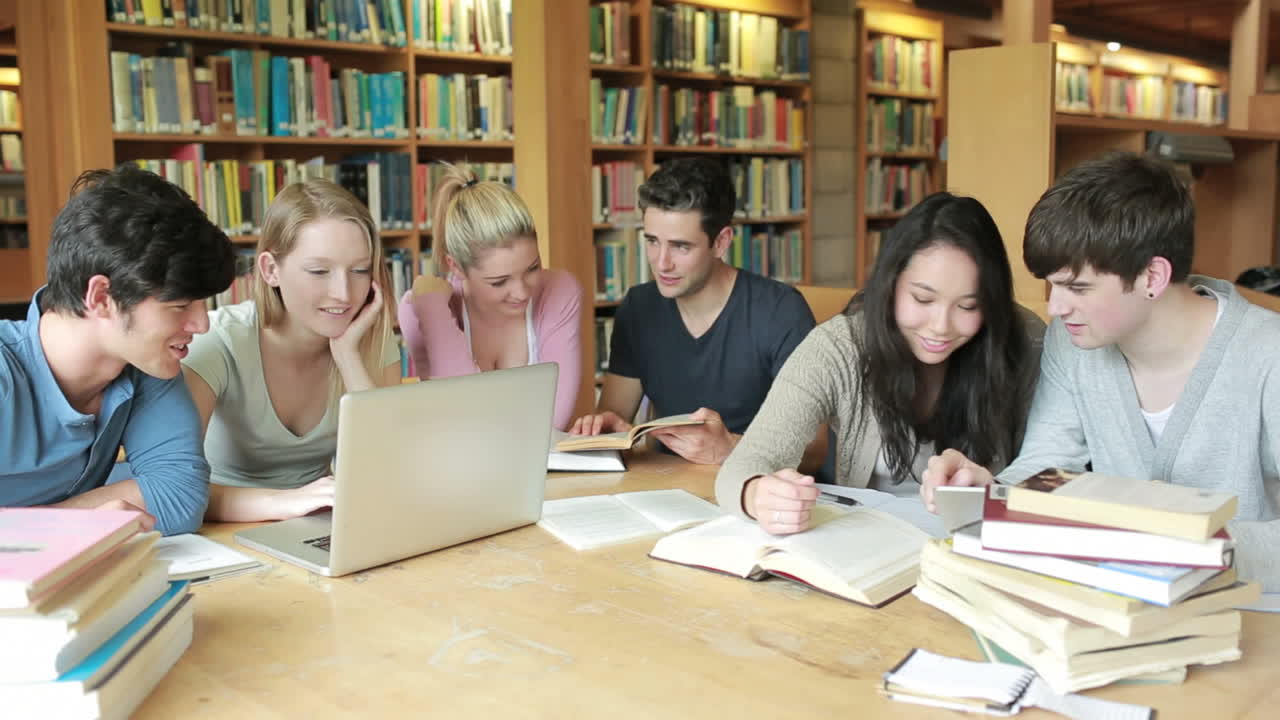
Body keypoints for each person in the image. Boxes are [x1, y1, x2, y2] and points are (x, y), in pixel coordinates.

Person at [921, 152, 1280, 590]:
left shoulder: (1267, 356)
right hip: (1115, 604)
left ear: (1152, 276)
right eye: (1051, 285)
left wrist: (1184, 546)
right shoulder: (1073, 343)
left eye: (1078, 287)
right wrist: (992, 492)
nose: (1055, 307)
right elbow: (1047, 471)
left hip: (1244, 614)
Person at [717, 193, 1045, 533]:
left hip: (978, 549)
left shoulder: (1024, 340)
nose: (940, 325)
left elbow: (1055, 470)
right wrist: (756, 494)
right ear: (891, 283)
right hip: (870, 548)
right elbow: (746, 464)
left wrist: (997, 490)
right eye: (922, 298)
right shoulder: (839, 348)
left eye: (968, 306)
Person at [0, 165, 235, 534]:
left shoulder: (147, 362)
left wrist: (48, 529)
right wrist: (78, 525)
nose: (201, 325)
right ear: (101, 298)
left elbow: (181, 499)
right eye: (179, 306)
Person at [569, 157, 818, 465]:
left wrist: (730, 449)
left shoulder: (781, 312)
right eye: (652, 242)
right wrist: (611, 431)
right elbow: (616, 415)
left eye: (681, 247)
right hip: (666, 489)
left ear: (721, 242)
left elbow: (815, 450)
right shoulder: (638, 308)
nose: (661, 263)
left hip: (759, 490)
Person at [183, 179, 401, 522]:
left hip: (318, 520)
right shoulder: (216, 342)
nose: (343, 294)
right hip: (218, 528)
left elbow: (390, 472)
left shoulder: (369, 339)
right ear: (270, 270)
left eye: (359, 270)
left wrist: (348, 357)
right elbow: (175, 489)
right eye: (319, 271)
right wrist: (283, 502)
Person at [398, 163, 583, 430]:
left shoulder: (560, 291)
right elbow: (459, 419)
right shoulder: (421, 310)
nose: (521, 292)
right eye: (499, 282)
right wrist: (435, 313)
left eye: (532, 268)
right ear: (456, 267)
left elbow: (551, 423)